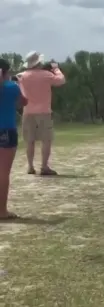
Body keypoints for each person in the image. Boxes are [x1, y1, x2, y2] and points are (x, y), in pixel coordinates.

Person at [17, 51, 65, 176]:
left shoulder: (22, 76)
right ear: (39, 62)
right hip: (44, 111)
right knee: (46, 140)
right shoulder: (46, 75)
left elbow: (18, 78)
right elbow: (61, 81)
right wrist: (56, 69)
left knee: (30, 141)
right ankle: (44, 166)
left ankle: (30, 167)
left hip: (28, 111)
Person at [0, 58, 28, 220]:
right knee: (3, 172)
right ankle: (1, 210)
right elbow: (23, 102)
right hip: (6, 131)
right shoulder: (12, 87)